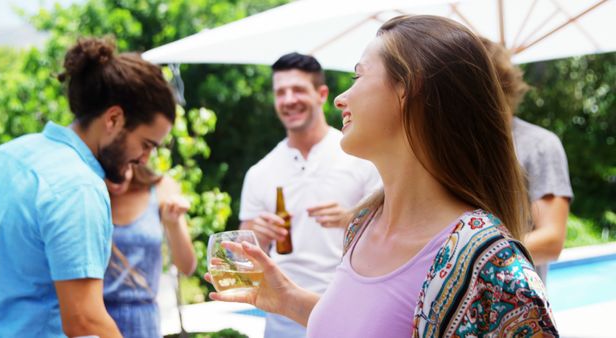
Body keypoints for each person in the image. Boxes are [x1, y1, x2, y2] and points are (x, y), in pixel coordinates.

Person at [209, 15, 558, 337]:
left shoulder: (494, 269)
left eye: (358, 76)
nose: (341, 99)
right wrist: (288, 299)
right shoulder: (364, 224)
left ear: (409, 88)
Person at [0, 37, 176, 337]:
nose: (145, 158)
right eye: (146, 144)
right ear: (113, 119)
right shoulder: (79, 186)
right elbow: (84, 319)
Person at [238, 52, 381, 338]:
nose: (289, 99)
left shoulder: (360, 155)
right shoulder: (259, 172)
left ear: (321, 94)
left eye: (298, 89)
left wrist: (351, 218)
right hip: (280, 322)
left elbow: (392, 229)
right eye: (281, 92)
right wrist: (255, 235)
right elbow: (243, 258)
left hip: (347, 316)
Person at [481, 37, 573, 282]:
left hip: (516, 303)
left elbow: (551, 240)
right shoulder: (450, 148)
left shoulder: (539, 145)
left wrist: (472, 254)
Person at [103, 164, 197, 338]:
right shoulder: (87, 187)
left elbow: (187, 266)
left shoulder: (161, 187)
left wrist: (173, 223)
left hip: (145, 321)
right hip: (96, 316)